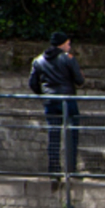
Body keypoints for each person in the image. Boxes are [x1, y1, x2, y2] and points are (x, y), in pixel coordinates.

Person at [27, 31, 84, 181]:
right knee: (72, 134)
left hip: (50, 101)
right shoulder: (68, 59)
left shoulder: (38, 60)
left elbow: (33, 83)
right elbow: (79, 80)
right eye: (68, 43)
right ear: (62, 44)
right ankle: (72, 170)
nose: (69, 46)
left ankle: (54, 170)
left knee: (53, 134)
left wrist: (44, 93)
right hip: (67, 100)